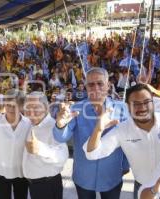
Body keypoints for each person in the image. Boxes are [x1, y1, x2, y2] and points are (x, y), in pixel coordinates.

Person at [84, 83, 160, 199]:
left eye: (146, 102)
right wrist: (98, 129)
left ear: (153, 102)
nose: (142, 107)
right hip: (143, 189)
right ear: (128, 107)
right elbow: (92, 153)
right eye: (136, 104)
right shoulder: (122, 130)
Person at [53, 67, 129, 199]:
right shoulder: (76, 109)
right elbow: (61, 137)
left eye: (100, 83)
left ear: (108, 86)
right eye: (91, 84)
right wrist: (60, 124)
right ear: (86, 87)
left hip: (112, 175)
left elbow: (128, 140)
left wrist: (125, 165)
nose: (95, 88)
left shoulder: (122, 109)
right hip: (84, 176)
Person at [23, 91, 68, 199]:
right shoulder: (30, 123)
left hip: (47, 185)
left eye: (35, 108)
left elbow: (62, 156)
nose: (31, 112)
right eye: (28, 108)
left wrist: (40, 149)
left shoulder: (54, 127)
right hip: (34, 185)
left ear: (46, 108)